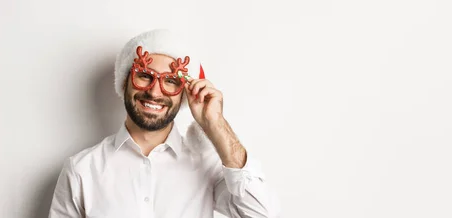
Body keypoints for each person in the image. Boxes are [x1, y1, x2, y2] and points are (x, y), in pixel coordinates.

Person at [49, 29, 281, 218]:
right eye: (144, 75)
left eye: (170, 81)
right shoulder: (81, 171)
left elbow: (262, 214)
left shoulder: (207, 166)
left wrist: (216, 124)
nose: (154, 91)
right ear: (124, 83)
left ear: (184, 93)